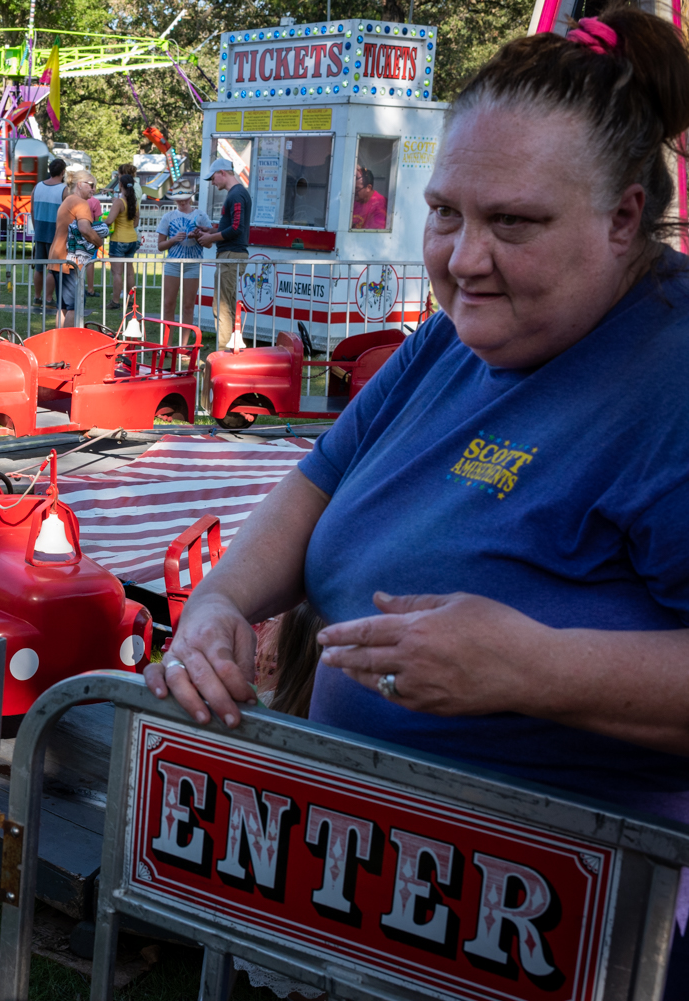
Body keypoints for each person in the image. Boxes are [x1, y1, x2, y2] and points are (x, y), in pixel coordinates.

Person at [152, 10, 689, 990]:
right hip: (361, 899)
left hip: (559, 944)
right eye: (447, 213)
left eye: (513, 223)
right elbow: (315, 484)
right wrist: (219, 606)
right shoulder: (453, 338)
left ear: (624, 215)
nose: (463, 258)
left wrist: (537, 667)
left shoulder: (672, 375)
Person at [198, 157, 251, 350]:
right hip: (230, 255)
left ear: (222, 173)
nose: (212, 183)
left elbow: (237, 228)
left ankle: (224, 353)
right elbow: (233, 227)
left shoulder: (236, 195)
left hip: (231, 255)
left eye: (212, 178)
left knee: (223, 307)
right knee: (224, 305)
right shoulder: (237, 194)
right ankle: (228, 350)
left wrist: (211, 238)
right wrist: (210, 231)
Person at [46, 172, 105, 329]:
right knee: (75, 306)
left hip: (58, 258)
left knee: (63, 306)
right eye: (91, 185)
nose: (94, 190)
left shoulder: (68, 200)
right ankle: (68, 343)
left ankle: (59, 342)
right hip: (71, 261)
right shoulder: (81, 203)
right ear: (79, 184)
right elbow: (85, 229)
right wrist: (99, 241)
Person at [155, 182, 212, 344]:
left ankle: (184, 346)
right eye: (179, 199)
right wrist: (173, 239)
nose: (182, 202)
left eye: (185, 199)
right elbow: (160, 246)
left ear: (190, 198)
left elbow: (208, 244)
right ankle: (166, 345)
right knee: (168, 304)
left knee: (188, 306)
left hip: (193, 264)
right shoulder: (168, 217)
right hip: (173, 264)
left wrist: (199, 236)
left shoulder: (201, 216)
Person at [31, 157, 67, 306]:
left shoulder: (37, 186)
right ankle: (48, 298)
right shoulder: (64, 190)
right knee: (52, 269)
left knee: (39, 268)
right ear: (63, 172)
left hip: (39, 231)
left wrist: (36, 226)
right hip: (55, 234)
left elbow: (32, 210)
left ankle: (37, 297)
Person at [105, 164, 141, 311]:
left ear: (120, 185)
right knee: (130, 272)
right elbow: (136, 223)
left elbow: (109, 221)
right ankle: (131, 300)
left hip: (118, 240)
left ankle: (115, 301)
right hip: (132, 239)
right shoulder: (135, 203)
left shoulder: (119, 202)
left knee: (117, 273)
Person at [350, 164, 388, 231]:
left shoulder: (380, 205)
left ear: (368, 188)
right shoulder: (357, 200)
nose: (354, 192)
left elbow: (375, 235)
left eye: (357, 189)